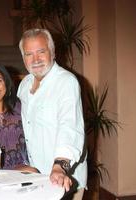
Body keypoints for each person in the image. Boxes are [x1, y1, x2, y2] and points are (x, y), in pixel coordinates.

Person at [17, 28, 87, 199]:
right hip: (35, 175)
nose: (36, 59)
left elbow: (69, 127)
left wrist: (59, 166)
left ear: (53, 52)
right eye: (29, 54)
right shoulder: (24, 84)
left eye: (41, 51)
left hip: (63, 178)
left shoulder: (66, 82)